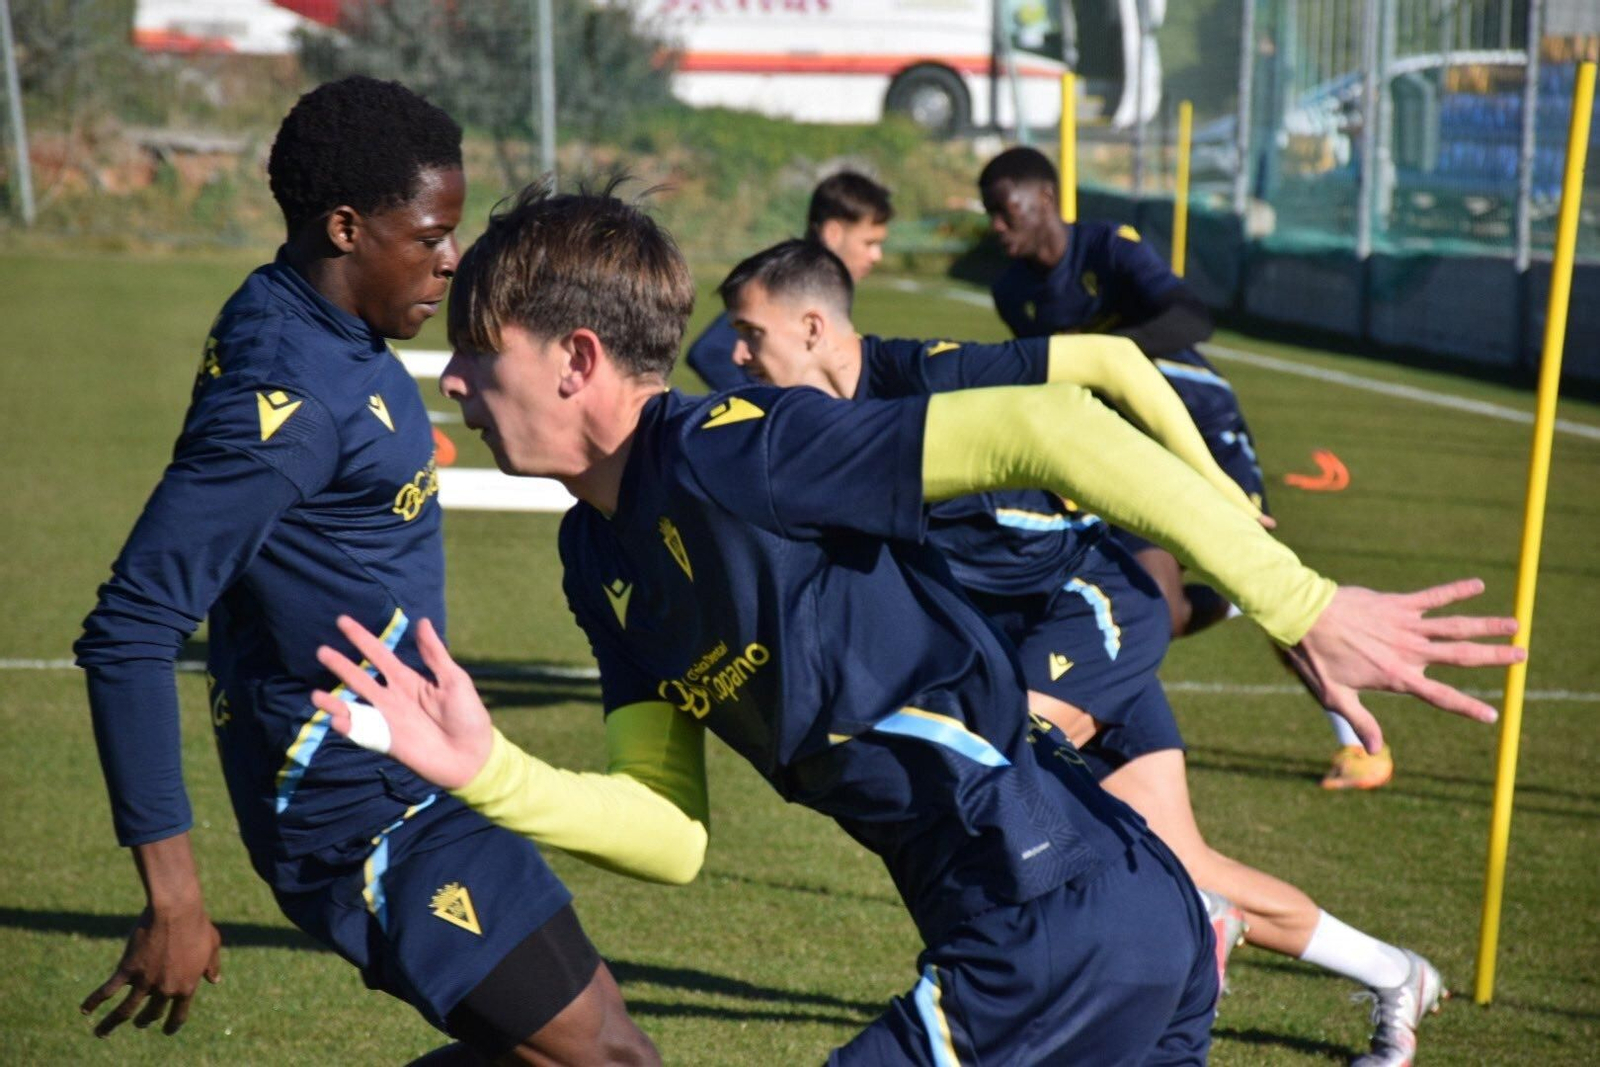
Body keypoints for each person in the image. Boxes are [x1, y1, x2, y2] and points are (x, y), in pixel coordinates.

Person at [315, 182, 1519, 1065]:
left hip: (1053, 921)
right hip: (1072, 924)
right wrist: (489, 766)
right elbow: (670, 829)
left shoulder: (735, 448)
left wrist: (1296, 599)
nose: (454, 381)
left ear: (576, 358)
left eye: (479, 352)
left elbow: (1062, 425)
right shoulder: (596, 556)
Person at [718, 238, 1457, 1066]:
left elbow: (1112, 360)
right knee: (1181, 856)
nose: (735, 356)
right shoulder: (809, 436)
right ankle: (1396, 974)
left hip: (1095, 604)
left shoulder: (929, 373)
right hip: (1025, 638)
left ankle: (1119, 953)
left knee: (992, 767)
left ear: (814, 327)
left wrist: (1216, 485)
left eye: (750, 334)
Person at [73, 78, 661, 1063]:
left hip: (424, 769)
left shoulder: (305, 319)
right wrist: (173, 896)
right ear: (345, 227)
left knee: (608, 1048)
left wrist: (389, 455)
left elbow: (312, 483)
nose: (450, 260)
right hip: (359, 812)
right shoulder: (287, 401)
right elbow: (130, 627)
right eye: (429, 236)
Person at [978, 145, 1392, 792]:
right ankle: (1229, 599)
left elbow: (1190, 316)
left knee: (1273, 593)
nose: (997, 228)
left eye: (1006, 212)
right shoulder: (1013, 292)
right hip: (1126, 451)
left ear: (1047, 199)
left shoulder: (1109, 249)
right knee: (1161, 613)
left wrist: (1105, 352)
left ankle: (1362, 743)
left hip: (1203, 428)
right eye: (991, 216)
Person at [685, 170, 891, 391]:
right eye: (869, 243)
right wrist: (766, 407)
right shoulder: (790, 283)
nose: (876, 256)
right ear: (833, 233)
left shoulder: (821, 285)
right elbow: (709, 352)